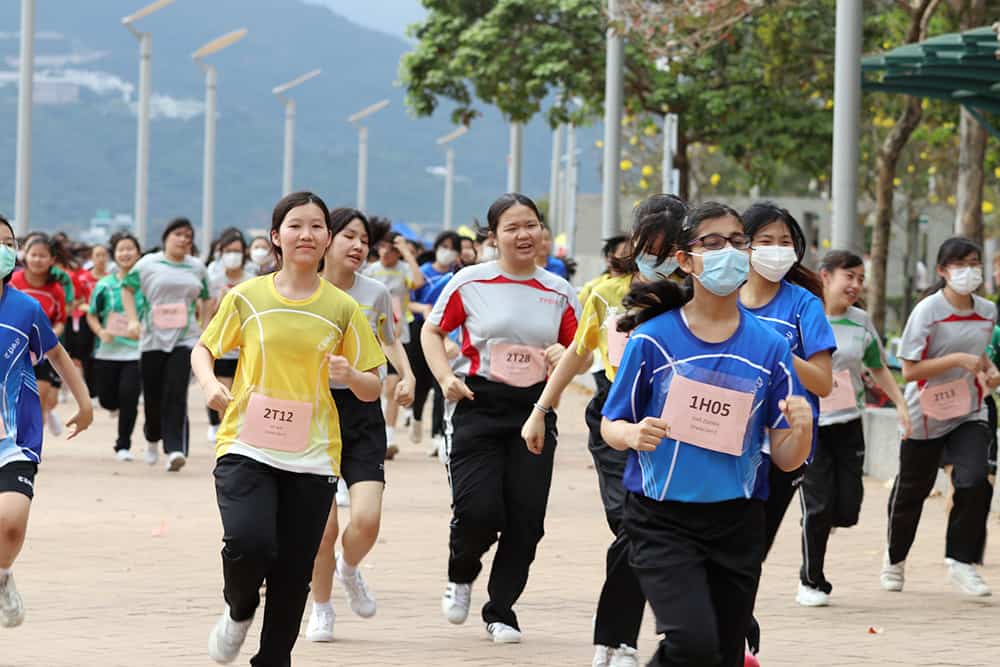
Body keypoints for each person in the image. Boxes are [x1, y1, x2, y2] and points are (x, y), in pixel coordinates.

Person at [600, 202, 813, 667]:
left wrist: (803, 429)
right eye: (712, 244)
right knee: (692, 643)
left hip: (737, 521)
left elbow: (785, 458)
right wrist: (633, 434)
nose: (729, 253)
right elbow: (610, 424)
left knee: (721, 654)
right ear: (685, 259)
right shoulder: (652, 339)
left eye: (738, 243)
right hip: (661, 520)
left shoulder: (772, 348)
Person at [192, 192, 384, 666]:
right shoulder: (247, 297)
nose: (307, 234)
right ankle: (238, 608)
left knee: (293, 570)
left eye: (317, 226)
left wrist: (350, 376)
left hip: (314, 452)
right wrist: (209, 386)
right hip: (246, 443)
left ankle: (274, 658)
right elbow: (204, 349)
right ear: (276, 237)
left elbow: (372, 386)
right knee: (248, 542)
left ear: (327, 239)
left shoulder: (342, 308)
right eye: (296, 226)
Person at [522, 194, 687, 666]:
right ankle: (620, 640)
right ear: (634, 245)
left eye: (668, 247)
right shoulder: (604, 294)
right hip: (616, 420)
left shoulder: (695, 295)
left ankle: (626, 639)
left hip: (675, 428)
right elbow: (577, 354)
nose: (656, 257)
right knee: (631, 527)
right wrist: (541, 409)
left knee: (659, 533)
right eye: (648, 246)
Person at [422, 192, 580, 644]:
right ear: (494, 237)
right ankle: (461, 570)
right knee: (478, 510)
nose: (524, 234)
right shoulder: (470, 282)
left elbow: (581, 354)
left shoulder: (559, 290)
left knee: (526, 519)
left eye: (531, 224)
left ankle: (501, 609)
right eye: (512, 227)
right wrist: (443, 378)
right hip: (478, 403)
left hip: (536, 407)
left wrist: (564, 354)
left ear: (542, 231)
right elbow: (432, 331)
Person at [305, 207, 416, 643]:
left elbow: (389, 338)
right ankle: (321, 607)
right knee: (323, 529)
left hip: (362, 411)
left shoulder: (374, 293)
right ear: (326, 239)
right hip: (311, 416)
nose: (357, 246)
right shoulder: (302, 288)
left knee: (366, 520)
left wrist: (405, 375)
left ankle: (350, 569)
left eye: (364, 241)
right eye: (348, 236)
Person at [883, 237, 997, 597]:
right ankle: (895, 558)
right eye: (960, 265)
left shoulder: (988, 312)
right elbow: (910, 370)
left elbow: (981, 360)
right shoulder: (927, 311)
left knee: (975, 479)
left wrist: (990, 373)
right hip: (926, 414)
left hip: (970, 410)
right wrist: (957, 361)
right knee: (911, 494)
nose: (969, 272)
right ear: (942, 271)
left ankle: (962, 562)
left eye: (974, 264)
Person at [796, 250, 910, 606]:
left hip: (848, 423)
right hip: (811, 424)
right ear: (826, 276)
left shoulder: (861, 321)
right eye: (850, 277)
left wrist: (901, 403)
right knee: (817, 507)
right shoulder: (805, 315)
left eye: (861, 279)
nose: (857, 285)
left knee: (848, 507)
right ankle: (810, 581)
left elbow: (876, 366)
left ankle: (824, 522)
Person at [0, 215, 93, 629]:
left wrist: (85, 402)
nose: (2, 248)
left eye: (7, 241)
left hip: (14, 437)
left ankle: (3, 575)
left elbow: (55, 354)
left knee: (11, 525)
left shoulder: (26, 308)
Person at [738, 202, 835, 555]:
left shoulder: (804, 304)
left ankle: (731, 611)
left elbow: (823, 382)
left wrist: (777, 353)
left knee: (752, 550)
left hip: (781, 448)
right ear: (743, 246)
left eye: (785, 242)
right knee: (720, 543)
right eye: (766, 241)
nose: (777, 250)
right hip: (724, 440)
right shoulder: (722, 299)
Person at [122, 217, 210, 473]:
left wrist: (204, 326)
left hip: (185, 338)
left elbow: (206, 297)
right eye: (178, 235)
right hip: (152, 339)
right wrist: (132, 320)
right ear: (166, 237)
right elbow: (127, 289)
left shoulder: (197, 267)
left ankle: (175, 449)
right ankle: (152, 437)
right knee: (153, 396)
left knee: (176, 392)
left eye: (188, 236)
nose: (183, 240)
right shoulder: (148, 264)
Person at [364, 228, 425, 451]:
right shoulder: (370, 271)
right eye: (382, 248)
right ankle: (376, 429)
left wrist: (406, 253)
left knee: (392, 386)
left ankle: (388, 438)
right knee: (376, 386)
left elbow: (418, 282)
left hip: (399, 333)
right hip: (372, 334)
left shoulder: (404, 269)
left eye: (391, 250)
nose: (385, 253)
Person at [87, 235, 145, 461]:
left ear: (138, 253)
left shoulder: (145, 283)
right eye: (121, 249)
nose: (126, 253)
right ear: (115, 254)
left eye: (130, 249)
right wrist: (101, 332)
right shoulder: (104, 285)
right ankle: (113, 404)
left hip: (135, 351)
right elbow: (92, 315)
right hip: (106, 351)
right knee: (107, 399)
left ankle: (123, 445)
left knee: (129, 397)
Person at [408, 231, 461, 452]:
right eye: (443, 245)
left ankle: (438, 434)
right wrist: (425, 310)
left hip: (446, 332)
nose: (447, 251)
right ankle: (416, 416)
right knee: (420, 384)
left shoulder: (457, 276)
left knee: (440, 382)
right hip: (420, 329)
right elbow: (408, 303)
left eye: (452, 247)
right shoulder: (423, 273)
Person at [10, 236, 68, 437]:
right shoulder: (13, 282)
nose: (37, 260)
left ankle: (30, 441)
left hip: (42, 351)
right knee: (14, 398)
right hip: (12, 349)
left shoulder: (56, 289)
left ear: (52, 259)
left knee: (40, 398)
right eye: (33, 255)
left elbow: (60, 320)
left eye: (42, 256)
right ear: (25, 255)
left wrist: (46, 338)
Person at [205, 228, 255, 443]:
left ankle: (240, 431)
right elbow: (207, 314)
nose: (232, 255)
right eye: (228, 250)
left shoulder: (253, 281)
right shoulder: (213, 280)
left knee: (245, 395)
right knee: (224, 393)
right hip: (223, 349)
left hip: (247, 349)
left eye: (236, 250)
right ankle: (225, 431)